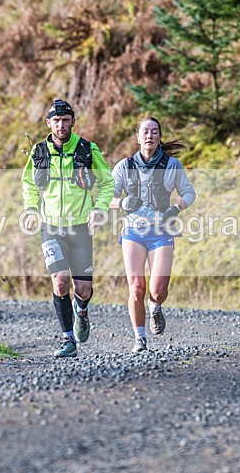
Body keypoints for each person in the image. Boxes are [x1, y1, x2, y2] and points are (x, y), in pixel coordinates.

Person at [22, 99, 114, 358]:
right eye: (57, 121)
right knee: (60, 282)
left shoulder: (87, 149)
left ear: (73, 121)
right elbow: (28, 183)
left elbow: (108, 183)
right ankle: (68, 339)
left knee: (82, 289)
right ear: (48, 123)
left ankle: (81, 311)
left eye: (66, 120)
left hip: (80, 227)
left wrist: (100, 208)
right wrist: (31, 209)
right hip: (51, 227)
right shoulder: (39, 151)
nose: (61, 125)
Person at [109, 116, 195, 353]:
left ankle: (155, 307)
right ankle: (140, 338)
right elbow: (105, 198)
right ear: (138, 137)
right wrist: (123, 201)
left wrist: (176, 208)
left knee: (158, 290)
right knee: (136, 287)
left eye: (154, 132)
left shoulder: (172, 166)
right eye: (145, 132)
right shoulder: (124, 167)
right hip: (133, 232)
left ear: (159, 137)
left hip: (161, 232)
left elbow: (189, 193)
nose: (149, 135)